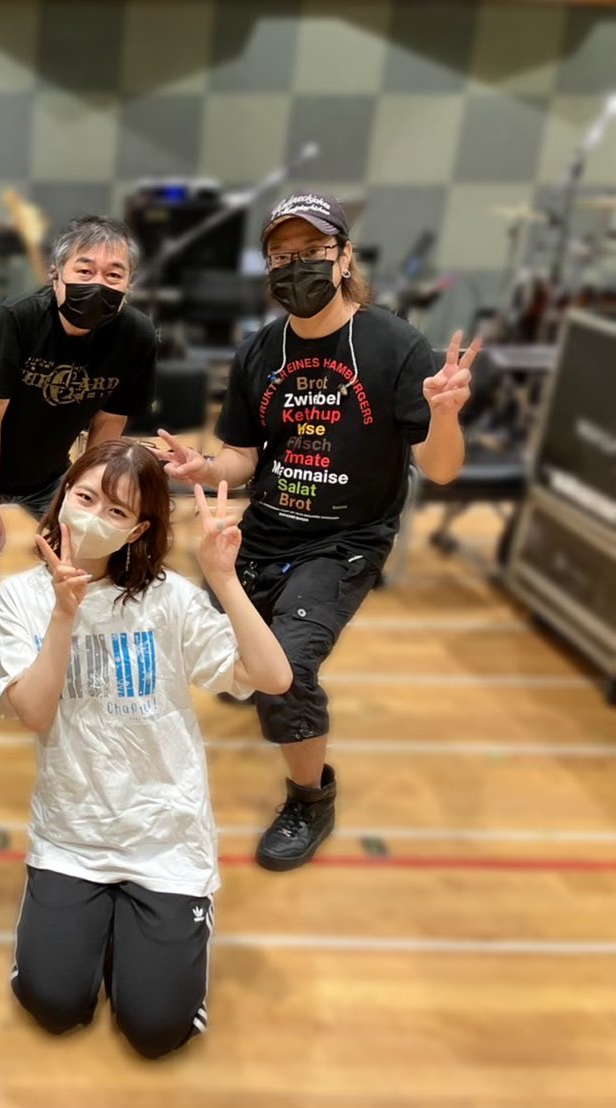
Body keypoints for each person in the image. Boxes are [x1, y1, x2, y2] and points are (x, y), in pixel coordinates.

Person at [155, 191, 476, 871]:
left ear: (345, 258)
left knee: (286, 672)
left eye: (312, 252)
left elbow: (441, 470)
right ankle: (265, 683)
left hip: (344, 542)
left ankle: (310, 797)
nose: (295, 267)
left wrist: (445, 415)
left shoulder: (393, 345)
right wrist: (202, 467)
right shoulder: (259, 350)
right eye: (281, 257)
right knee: (230, 644)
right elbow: (242, 458)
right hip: (265, 530)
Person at [0, 440, 291, 1059]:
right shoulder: (21, 597)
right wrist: (64, 615)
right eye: (84, 497)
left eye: (117, 511)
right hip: (73, 836)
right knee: (51, 1005)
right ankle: (97, 933)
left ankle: (139, 940)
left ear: (138, 530)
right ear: (63, 495)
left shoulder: (169, 598)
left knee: (155, 1031)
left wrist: (224, 579)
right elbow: (35, 713)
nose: (93, 516)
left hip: (166, 838)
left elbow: (273, 676)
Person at [0, 214, 157, 716]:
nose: (98, 284)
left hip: (47, 468)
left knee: (92, 544)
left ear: (129, 285)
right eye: (84, 270)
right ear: (56, 274)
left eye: (114, 274)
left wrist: (94, 500)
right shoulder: (18, 319)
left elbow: (108, 428)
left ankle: (77, 649)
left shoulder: (136, 336)